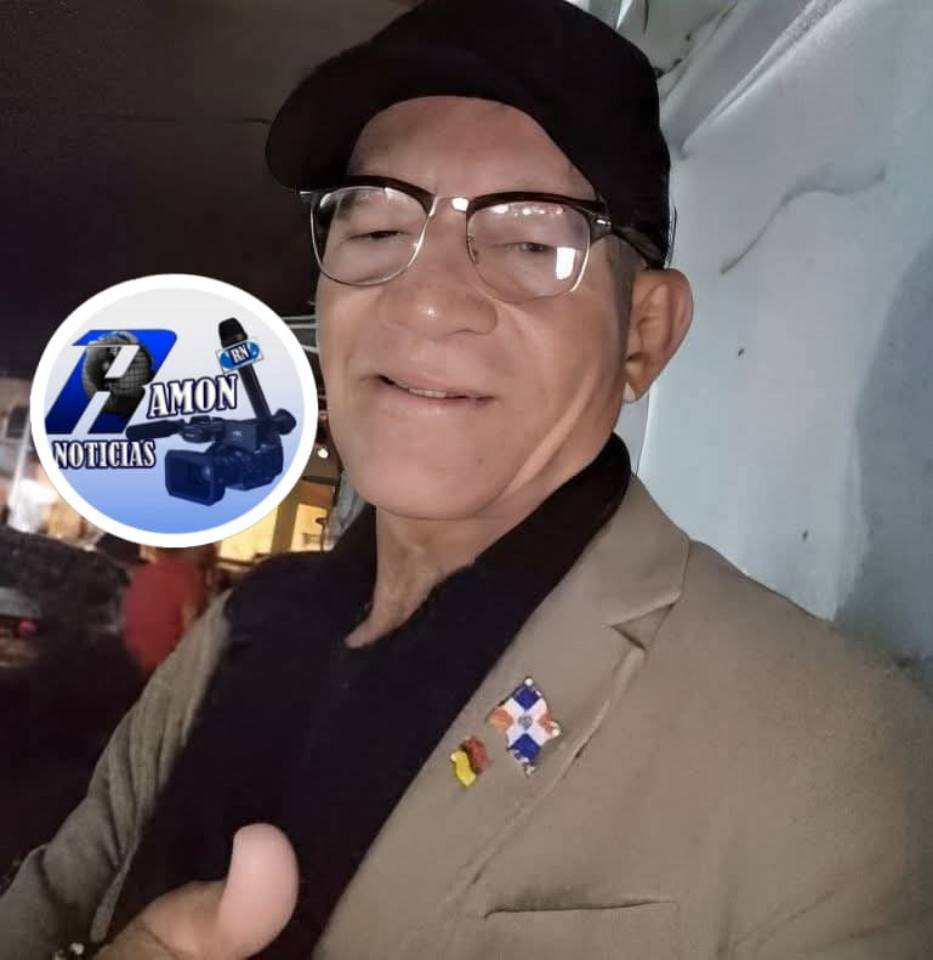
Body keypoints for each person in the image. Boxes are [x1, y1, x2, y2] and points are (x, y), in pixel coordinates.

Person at [2, 0, 933, 956]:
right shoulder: (236, 634)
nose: (425, 299)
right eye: (375, 227)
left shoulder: (832, 758)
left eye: (531, 242)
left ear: (643, 334)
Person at [122, 547, 208, 675]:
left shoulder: (143, 573)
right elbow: (190, 633)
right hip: (163, 668)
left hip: (131, 660)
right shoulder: (188, 575)